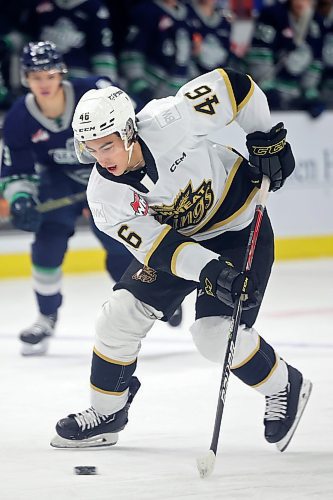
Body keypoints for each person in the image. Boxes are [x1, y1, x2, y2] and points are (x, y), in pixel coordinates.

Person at [50, 67, 312, 452]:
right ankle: (108, 412)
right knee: (118, 315)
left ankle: (285, 384)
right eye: (91, 148)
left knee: (213, 336)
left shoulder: (171, 117)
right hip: (183, 245)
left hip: (239, 227)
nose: (100, 158)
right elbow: (162, 251)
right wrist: (211, 271)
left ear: (128, 132)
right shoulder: (105, 198)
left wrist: (263, 138)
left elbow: (236, 87)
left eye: (107, 145)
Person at [0, 41, 132, 356]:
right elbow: (16, 168)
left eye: (48, 75)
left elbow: (133, 128)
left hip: (107, 175)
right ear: (25, 78)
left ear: (61, 73)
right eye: (35, 77)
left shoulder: (94, 94)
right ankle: (46, 316)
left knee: (119, 242)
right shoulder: (19, 117)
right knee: (47, 241)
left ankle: (151, 300)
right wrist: (19, 198)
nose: (43, 84)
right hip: (58, 181)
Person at [247, 0, 325, 118]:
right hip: (267, 91)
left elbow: (316, 59)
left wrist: (309, 92)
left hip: (296, 95)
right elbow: (260, 52)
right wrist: (267, 88)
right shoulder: (272, 14)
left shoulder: (317, 22)